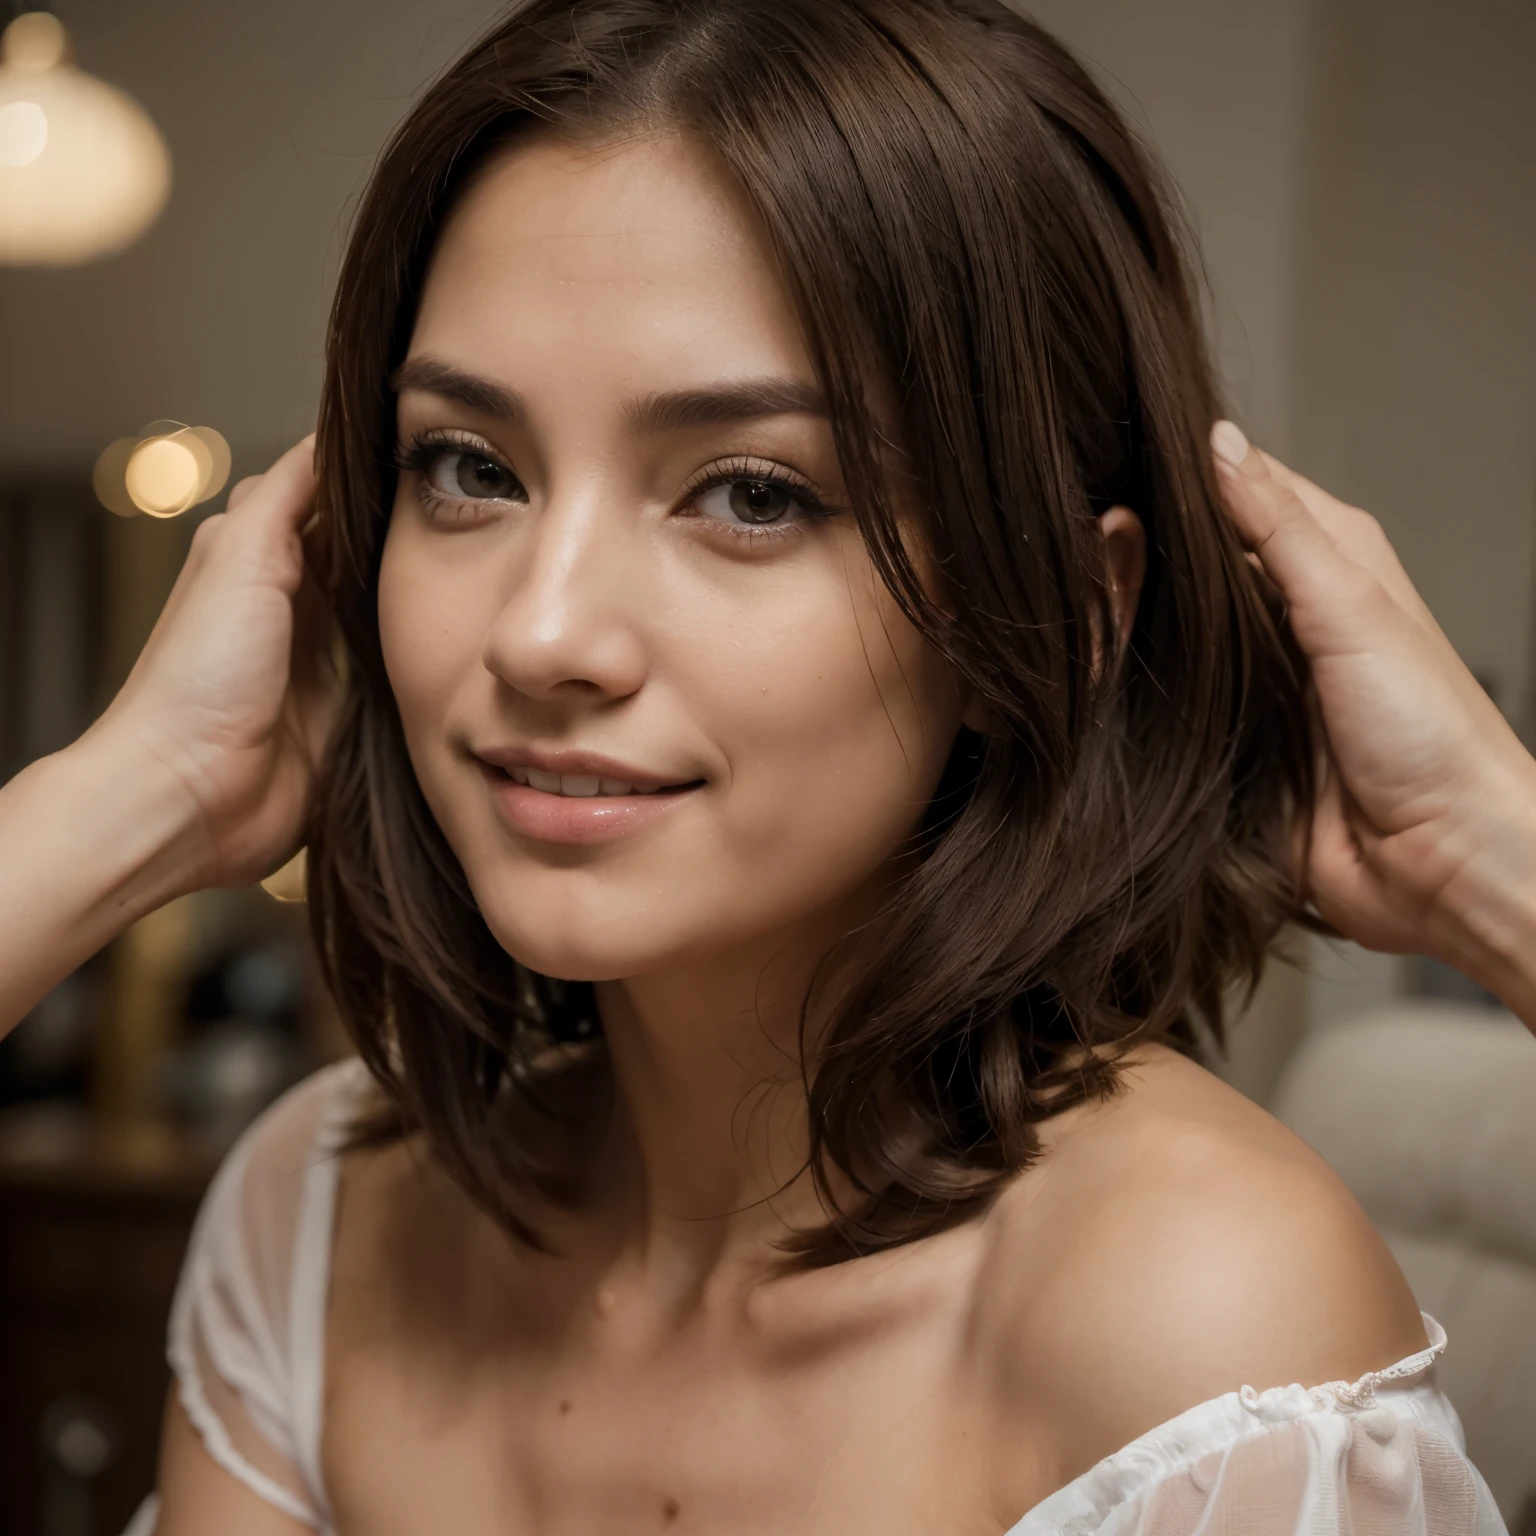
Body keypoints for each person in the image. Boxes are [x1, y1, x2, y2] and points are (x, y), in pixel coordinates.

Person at [0, 1, 1526, 1530]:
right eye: (471, 468)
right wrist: (117, 809)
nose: (541, 634)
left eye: (749, 492)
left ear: (1061, 617)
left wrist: (1493, 859)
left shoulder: (1205, 1341)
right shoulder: (324, 1225)